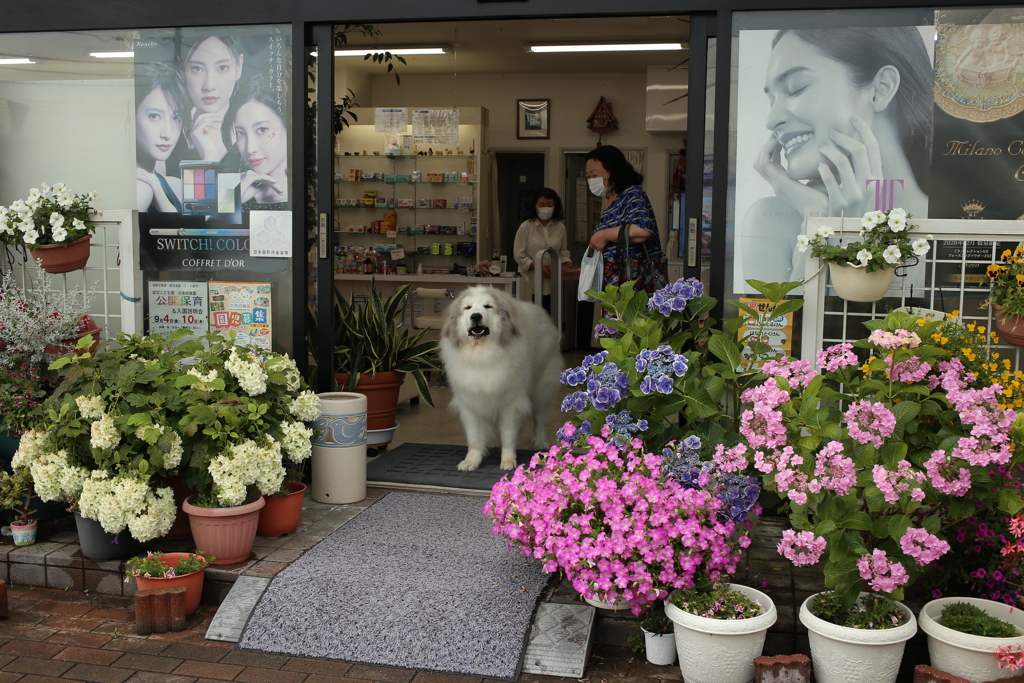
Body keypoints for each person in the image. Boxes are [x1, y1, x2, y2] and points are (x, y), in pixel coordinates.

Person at [740, 26, 932, 284]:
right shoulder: (770, 219)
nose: (771, 119)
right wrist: (817, 222)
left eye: (796, 88)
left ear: (881, 88)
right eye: (772, 99)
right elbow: (777, 324)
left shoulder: (943, 222)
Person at [585, 145, 666, 292]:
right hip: (617, 282)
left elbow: (643, 229)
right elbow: (622, 240)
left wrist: (603, 235)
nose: (590, 180)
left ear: (610, 172)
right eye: (588, 176)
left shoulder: (631, 194)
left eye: (594, 175)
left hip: (635, 282)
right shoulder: (611, 200)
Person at [225, 73, 288, 210]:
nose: (250, 148)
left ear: (287, 127)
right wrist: (234, 199)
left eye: (262, 130)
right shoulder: (238, 193)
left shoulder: (307, 194)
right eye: (240, 133)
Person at [180, 35, 244, 164]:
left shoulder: (257, 130)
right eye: (197, 69)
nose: (209, 86)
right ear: (182, 69)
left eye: (222, 68)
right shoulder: (169, 135)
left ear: (238, 67)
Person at [135, 62, 188, 213]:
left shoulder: (166, 183)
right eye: (154, 116)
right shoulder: (142, 189)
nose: (168, 133)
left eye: (176, 117)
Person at [513, 187, 571, 312]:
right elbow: (519, 254)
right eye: (542, 205)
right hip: (530, 282)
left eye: (549, 205)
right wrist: (536, 266)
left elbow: (563, 251)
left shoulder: (560, 227)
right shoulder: (526, 227)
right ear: (535, 206)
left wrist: (567, 264)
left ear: (555, 206)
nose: (546, 208)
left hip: (552, 282)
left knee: (551, 316)